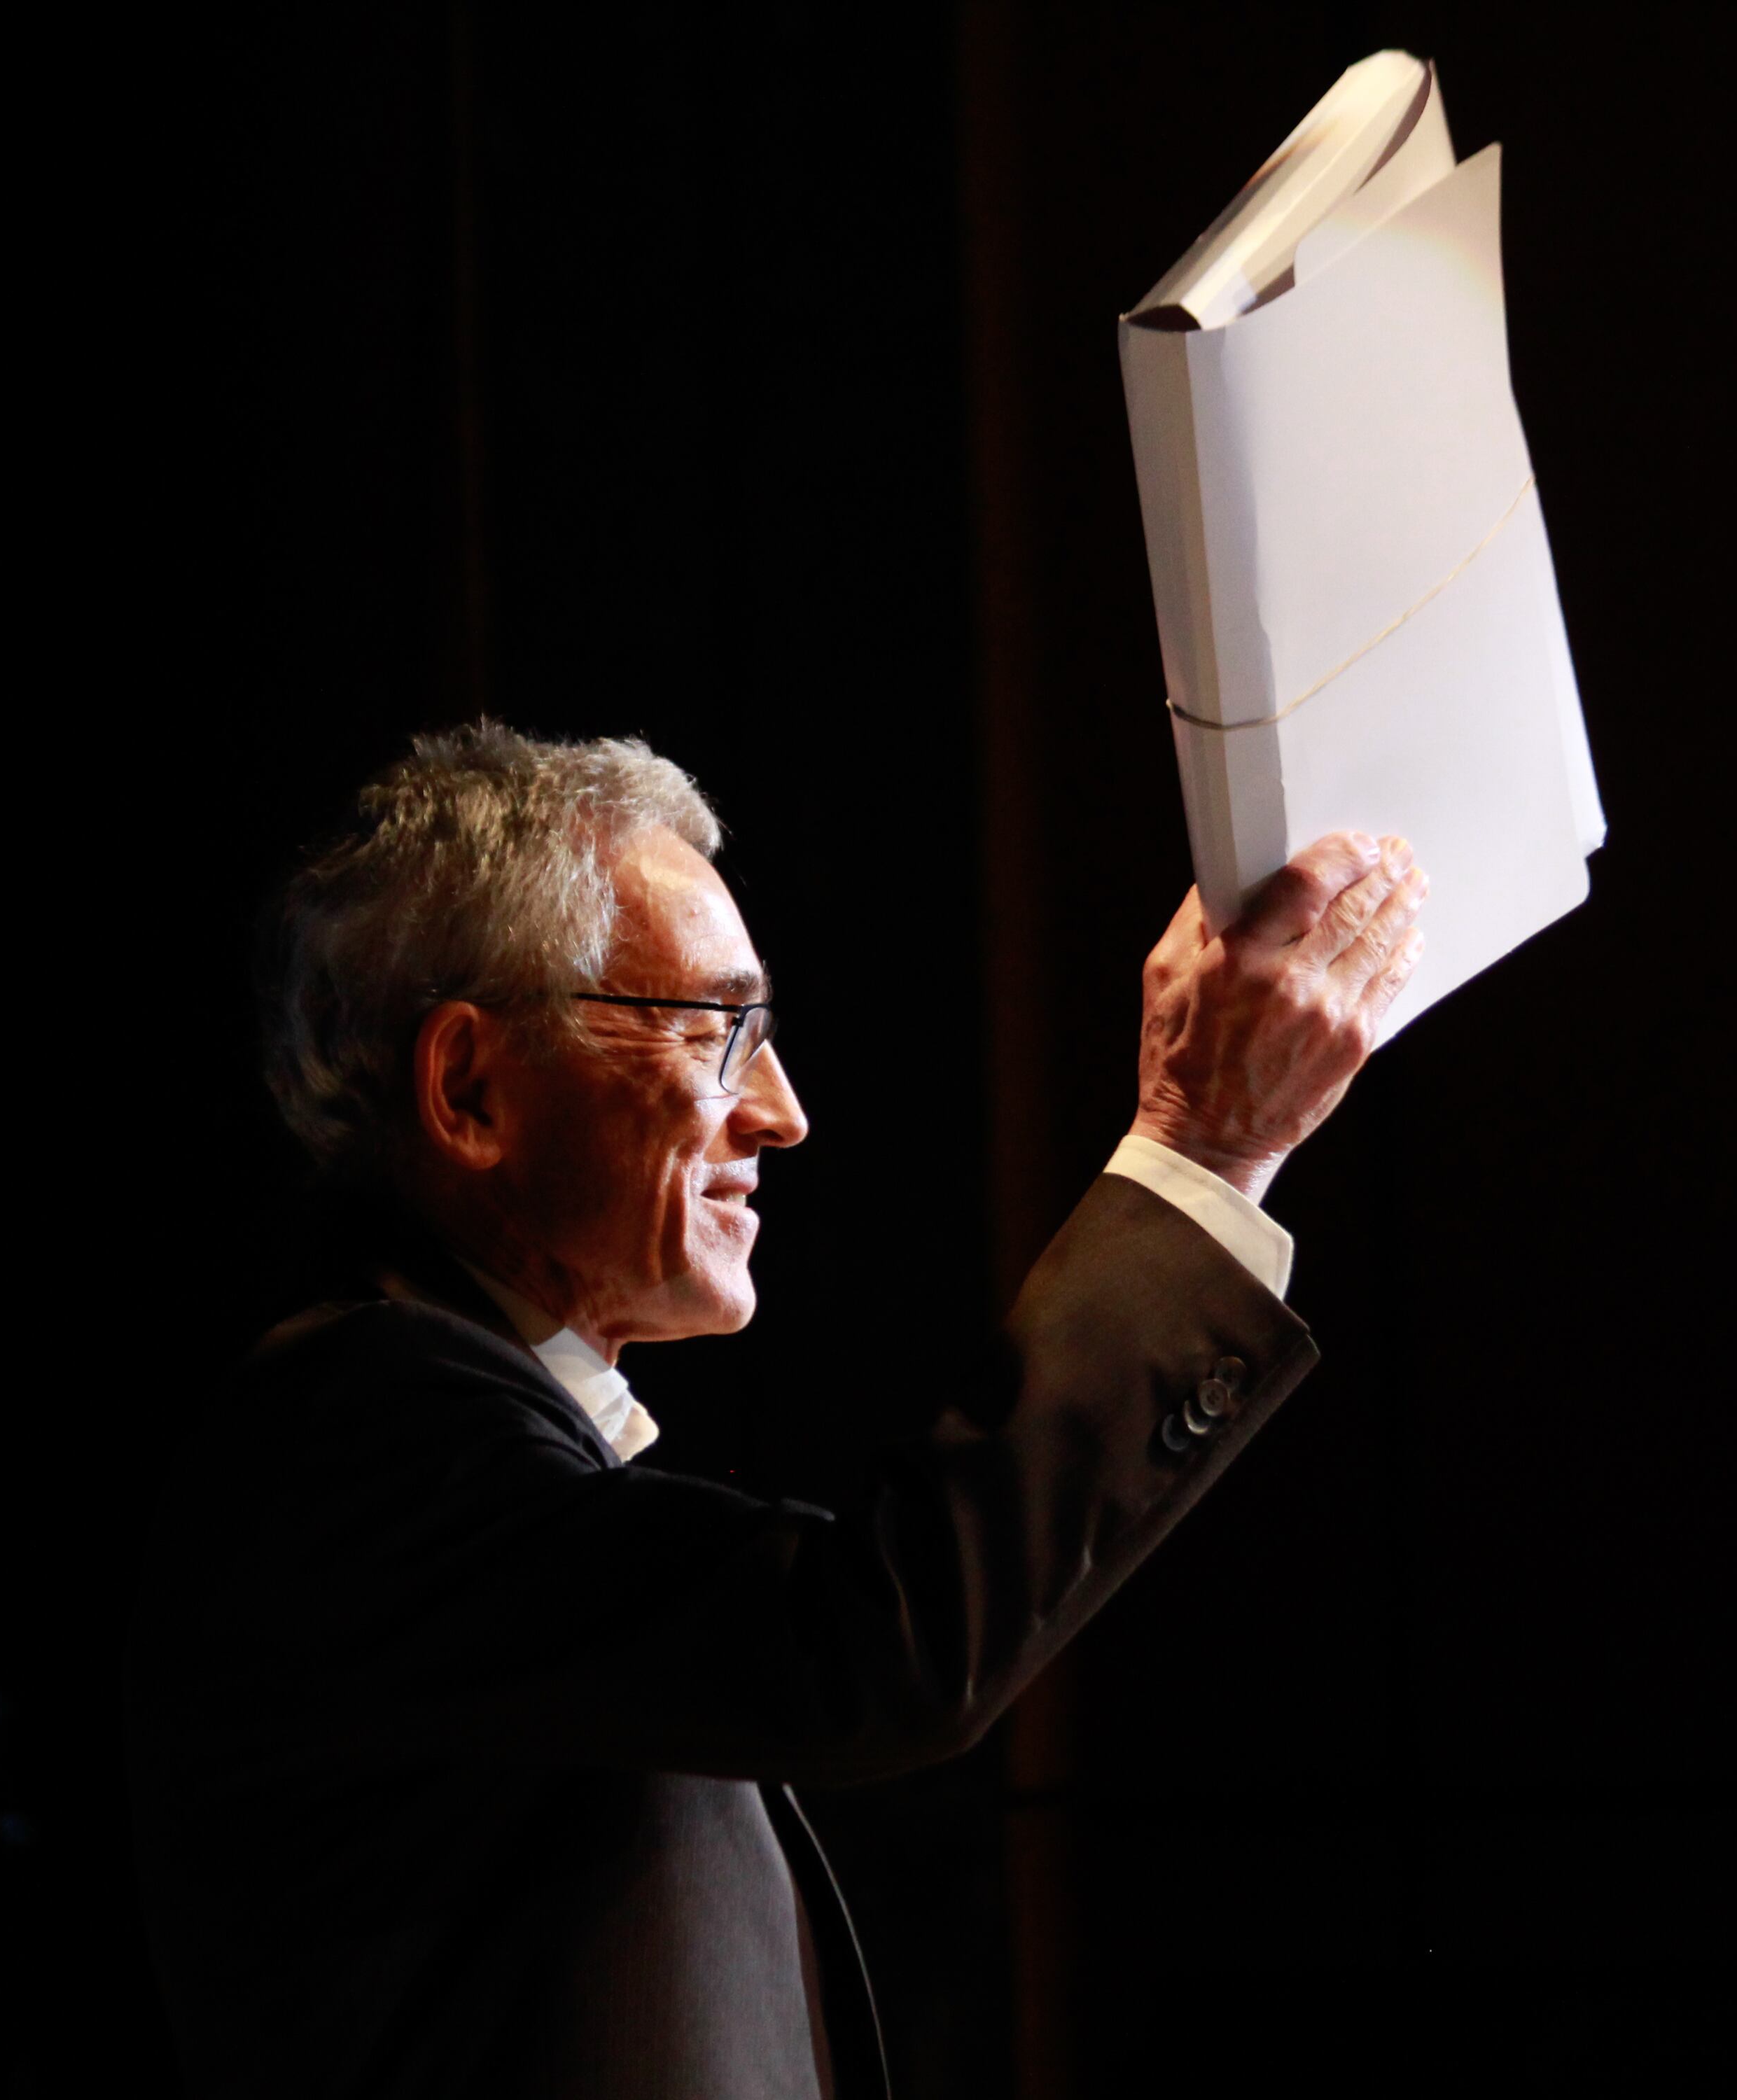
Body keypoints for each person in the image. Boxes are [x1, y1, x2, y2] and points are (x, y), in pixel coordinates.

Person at [126, 722, 1427, 2097]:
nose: (782, 1112)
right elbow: (871, 1642)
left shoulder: (463, 1452)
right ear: (470, 1089)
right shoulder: (354, 1435)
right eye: (712, 1030)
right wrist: (1205, 1151)